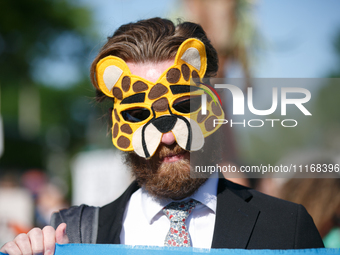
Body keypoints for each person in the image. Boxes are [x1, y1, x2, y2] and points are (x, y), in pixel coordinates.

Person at [0, 17, 324, 255]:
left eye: (184, 106)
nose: (168, 139)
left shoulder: (286, 228)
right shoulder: (72, 234)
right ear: (115, 127)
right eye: (139, 116)